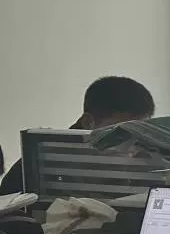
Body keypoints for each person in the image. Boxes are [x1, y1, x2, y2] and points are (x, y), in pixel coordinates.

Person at [1, 76, 155, 196]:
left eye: (140, 132)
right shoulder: (40, 161)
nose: (131, 144)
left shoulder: (143, 160)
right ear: (88, 123)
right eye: (120, 132)